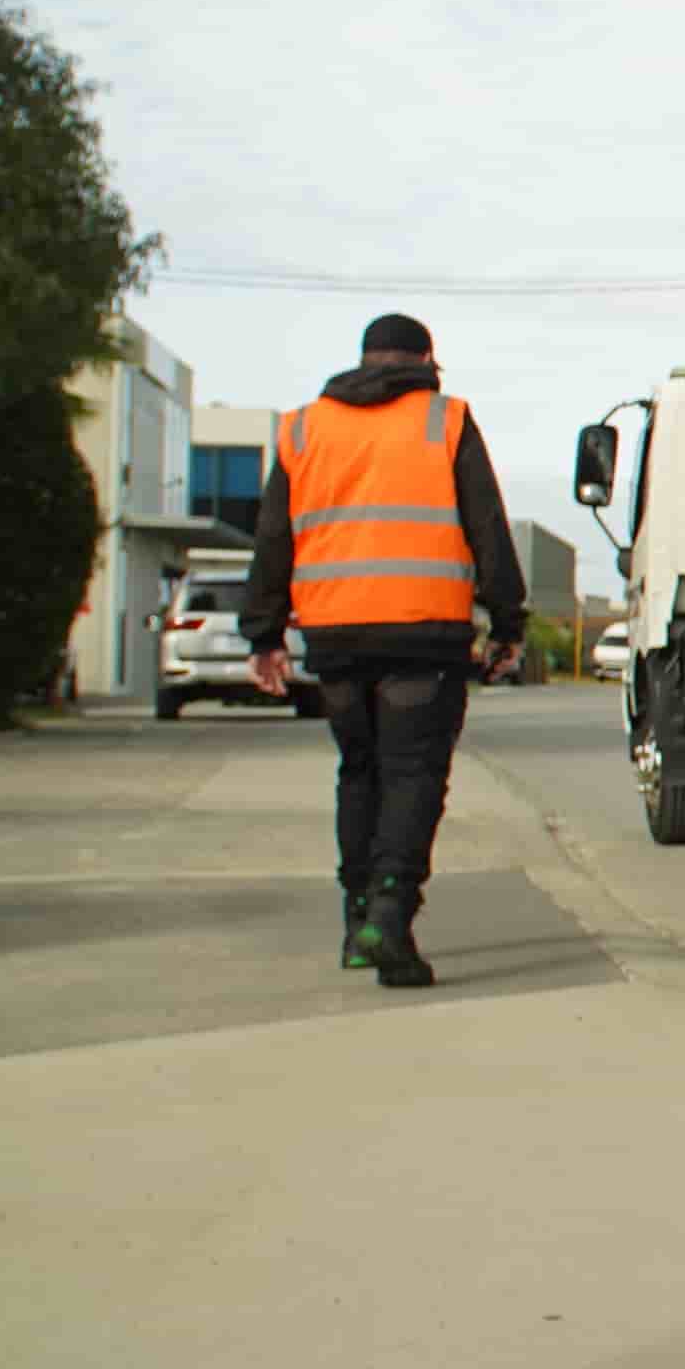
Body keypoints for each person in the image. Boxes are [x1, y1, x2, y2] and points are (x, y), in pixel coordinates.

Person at [239, 313, 525, 987]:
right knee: (412, 773)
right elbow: (487, 522)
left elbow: (274, 536)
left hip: (334, 634)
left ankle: (356, 920)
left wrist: (264, 634)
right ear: (427, 360)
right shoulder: (444, 419)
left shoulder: (305, 426)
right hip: (423, 633)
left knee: (359, 771)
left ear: (365, 359)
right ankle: (391, 918)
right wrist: (508, 622)